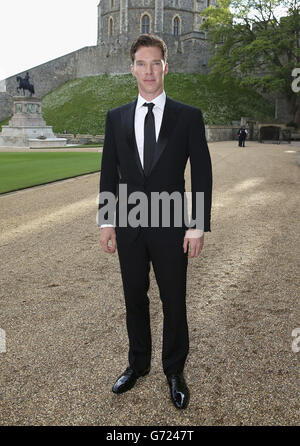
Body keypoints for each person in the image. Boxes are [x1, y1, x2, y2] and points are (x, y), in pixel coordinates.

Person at [98, 34, 212, 410]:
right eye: (141, 64)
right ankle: (138, 364)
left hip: (171, 223)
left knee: (173, 299)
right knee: (134, 297)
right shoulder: (115, 118)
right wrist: (106, 221)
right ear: (132, 68)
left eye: (155, 63)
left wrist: (196, 225)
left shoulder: (189, 116)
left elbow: (203, 174)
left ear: (166, 66)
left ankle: (175, 370)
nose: (149, 71)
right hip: (129, 223)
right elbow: (108, 174)